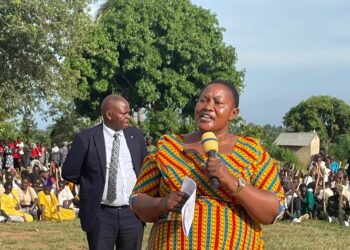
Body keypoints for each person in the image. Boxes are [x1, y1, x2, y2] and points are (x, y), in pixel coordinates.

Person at [130, 80, 285, 249]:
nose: (208, 106)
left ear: (234, 113)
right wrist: (161, 204)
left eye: (218, 102)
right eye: (203, 100)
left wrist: (231, 181)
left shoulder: (252, 152)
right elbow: (137, 200)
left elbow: (273, 210)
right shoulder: (169, 147)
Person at [62, 95, 147, 250]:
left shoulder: (136, 136)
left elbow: (144, 167)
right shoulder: (86, 138)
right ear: (109, 115)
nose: (129, 117)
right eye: (124, 113)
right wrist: (93, 182)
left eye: (129, 112)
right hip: (100, 214)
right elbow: (69, 172)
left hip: (132, 214)